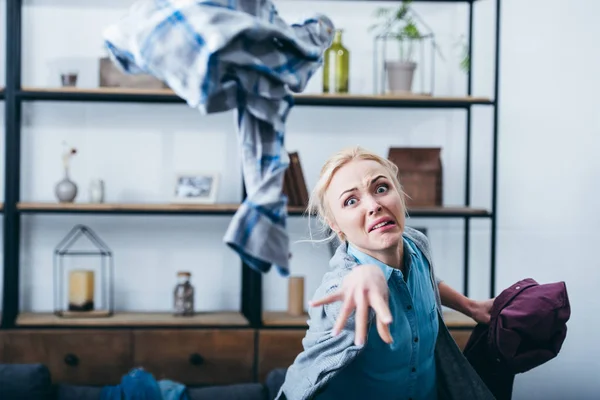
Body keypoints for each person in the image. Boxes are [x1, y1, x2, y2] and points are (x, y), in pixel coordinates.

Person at [275, 146, 496, 400]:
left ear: (399, 194)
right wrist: (366, 275)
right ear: (336, 226)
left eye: (381, 188)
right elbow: (349, 292)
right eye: (351, 201)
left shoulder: (417, 244)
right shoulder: (340, 288)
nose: (374, 205)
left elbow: (426, 279)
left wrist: (470, 306)